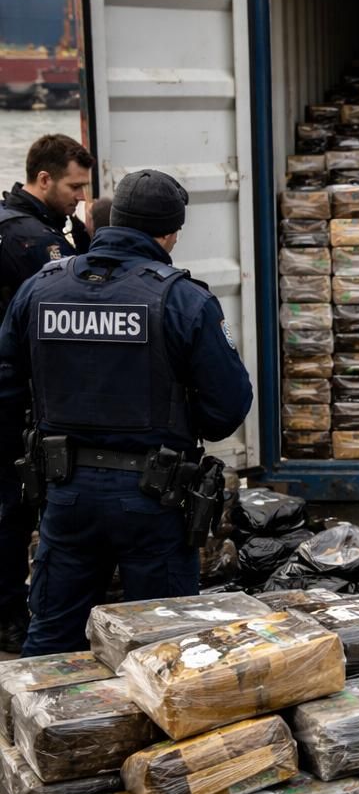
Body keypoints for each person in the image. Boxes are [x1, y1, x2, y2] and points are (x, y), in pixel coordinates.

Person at [0, 167, 253, 655]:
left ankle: (56, 729)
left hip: (64, 492)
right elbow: (227, 408)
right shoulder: (182, 298)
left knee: (53, 644)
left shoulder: (41, 287)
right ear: (169, 231)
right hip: (153, 498)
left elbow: (6, 385)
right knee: (163, 652)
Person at [0, 133, 94, 652]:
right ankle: (10, 614)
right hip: (12, 397)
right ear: (43, 180)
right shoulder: (28, 239)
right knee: (12, 509)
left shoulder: (42, 227)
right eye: (74, 186)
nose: (81, 196)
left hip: (21, 391)